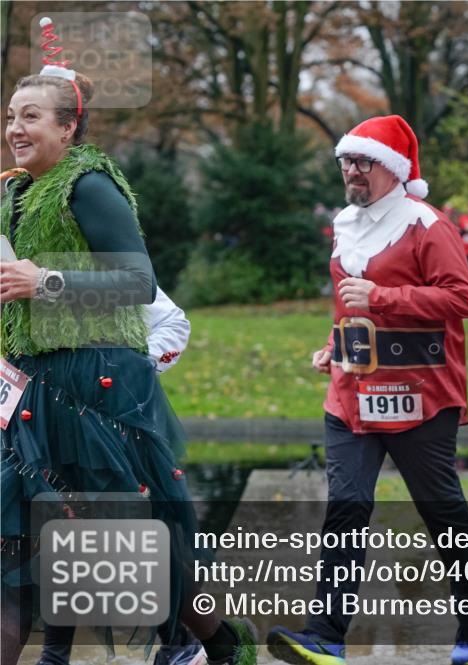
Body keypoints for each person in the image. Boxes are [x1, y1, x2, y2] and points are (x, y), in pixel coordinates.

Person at [0, 19, 256, 665]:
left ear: (68, 126)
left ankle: (210, 646)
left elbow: (139, 281)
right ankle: (204, 646)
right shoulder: (16, 197)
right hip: (30, 387)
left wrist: (47, 280)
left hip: (99, 386)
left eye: (31, 116)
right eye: (9, 116)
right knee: (41, 535)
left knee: (121, 539)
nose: (14, 129)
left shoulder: (91, 185)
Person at [266, 115, 468, 665]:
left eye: (362, 162)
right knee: (345, 507)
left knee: (440, 509)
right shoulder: (347, 223)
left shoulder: (426, 224)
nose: (350, 171)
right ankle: (325, 635)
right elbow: (349, 301)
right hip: (352, 394)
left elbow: (464, 300)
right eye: (345, 161)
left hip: (420, 394)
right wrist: (333, 344)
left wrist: (385, 298)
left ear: (391, 170)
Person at [34, 286, 202, 665]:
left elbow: (173, 323)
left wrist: (129, 372)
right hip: (34, 415)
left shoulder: (98, 261)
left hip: (104, 420)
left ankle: (183, 640)